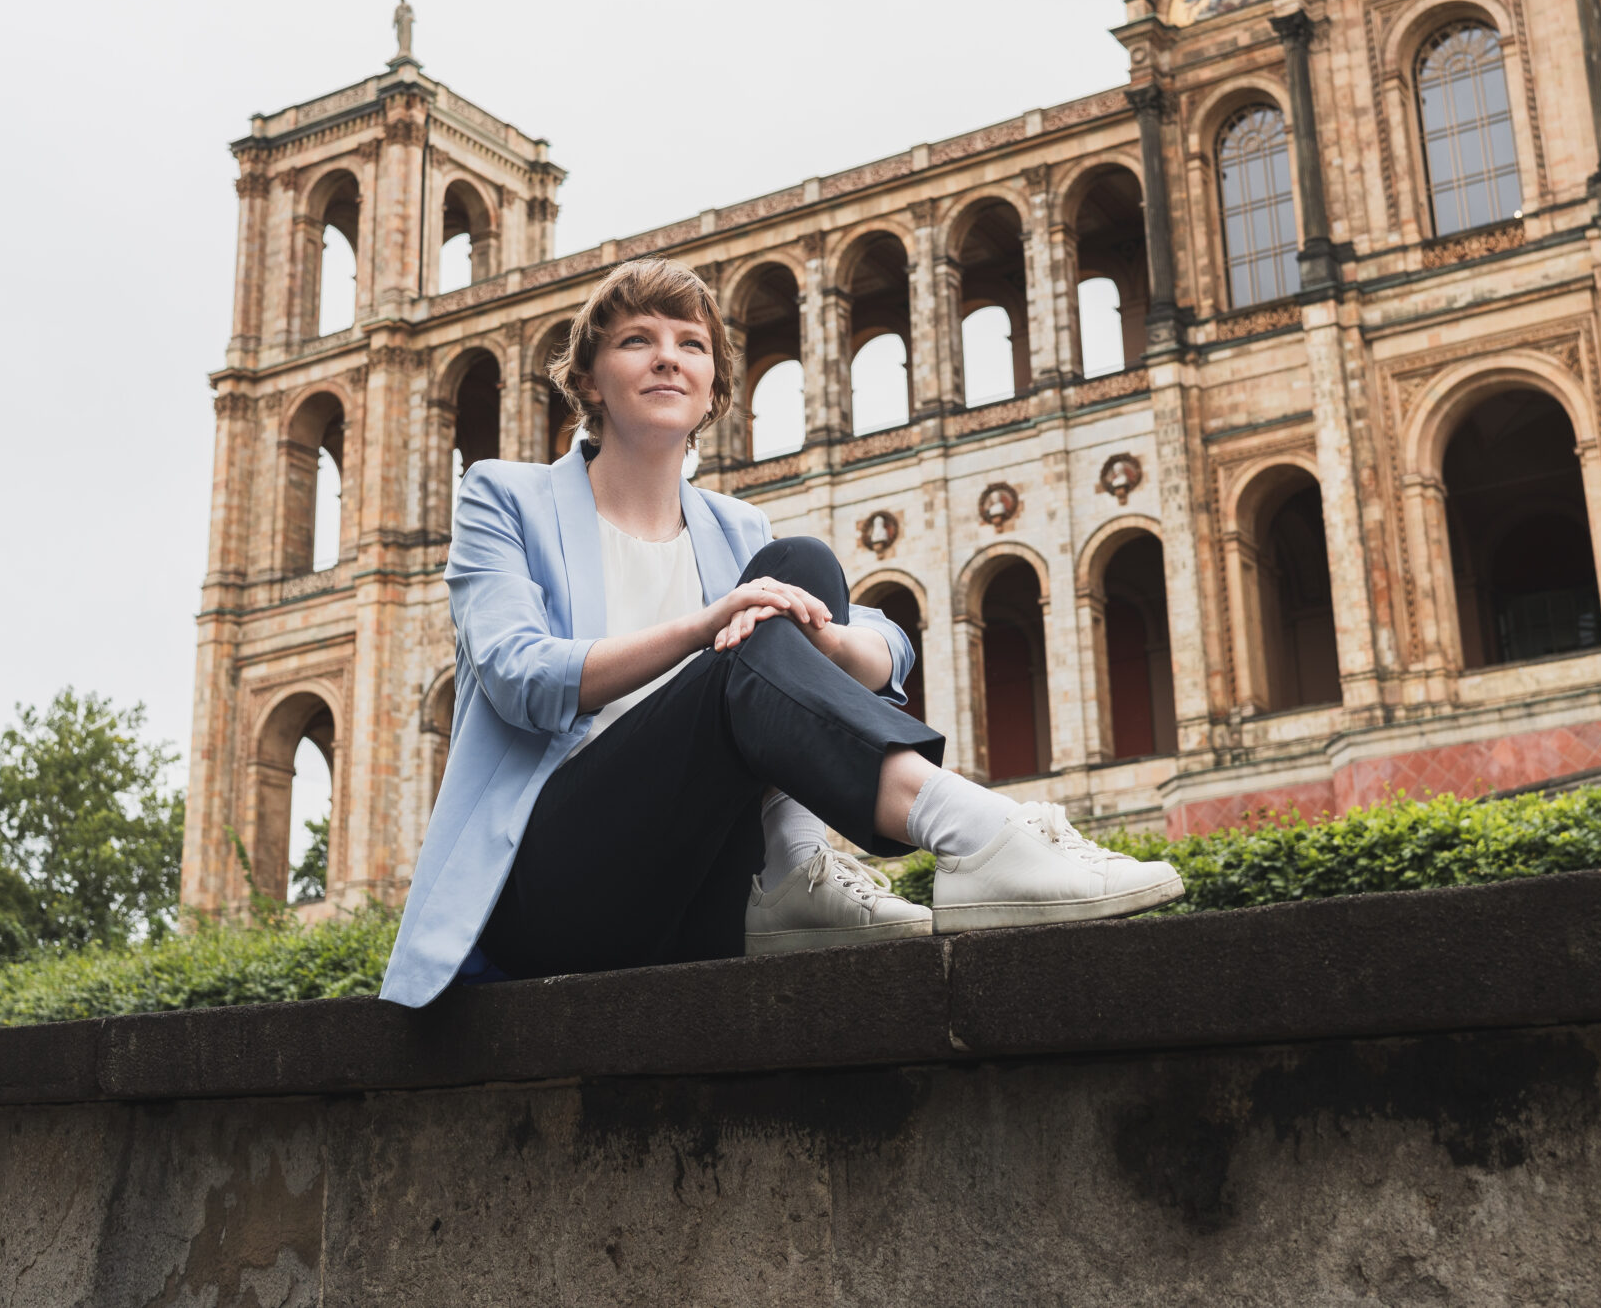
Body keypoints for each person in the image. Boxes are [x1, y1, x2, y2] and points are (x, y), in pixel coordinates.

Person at [379, 258, 1183, 1005]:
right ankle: (976, 831)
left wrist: (823, 640)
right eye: (636, 341)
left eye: (691, 344)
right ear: (588, 380)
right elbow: (522, 676)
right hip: (554, 888)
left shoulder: (737, 526)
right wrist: (709, 625)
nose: (668, 358)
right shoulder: (505, 498)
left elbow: (887, 650)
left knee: (799, 565)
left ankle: (797, 870)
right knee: (750, 634)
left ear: (714, 385)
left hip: (696, 882)